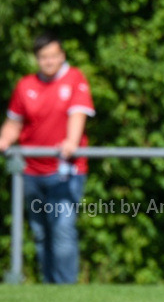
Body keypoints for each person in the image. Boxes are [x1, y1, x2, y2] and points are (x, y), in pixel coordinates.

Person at [0, 32, 94, 284]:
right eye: (44, 57)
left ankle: (66, 292)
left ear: (62, 56)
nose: (49, 61)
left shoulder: (75, 79)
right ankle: (48, 290)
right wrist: (4, 140)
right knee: (40, 233)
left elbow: (77, 114)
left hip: (64, 172)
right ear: (37, 58)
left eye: (53, 56)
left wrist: (71, 141)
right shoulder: (25, 85)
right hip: (30, 172)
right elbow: (13, 123)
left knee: (62, 231)